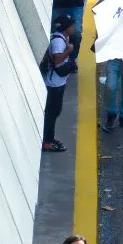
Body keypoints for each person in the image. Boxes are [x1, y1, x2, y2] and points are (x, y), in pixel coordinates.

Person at [41, 14, 76, 153]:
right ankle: (47, 142)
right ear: (66, 28)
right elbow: (56, 59)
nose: (74, 28)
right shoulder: (58, 42)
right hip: (54, 84)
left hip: (58, 82)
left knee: (54, 112)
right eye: (72, 26)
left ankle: (49, 138)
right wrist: (69, 51)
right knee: (51, 113)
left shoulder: (62, 38)